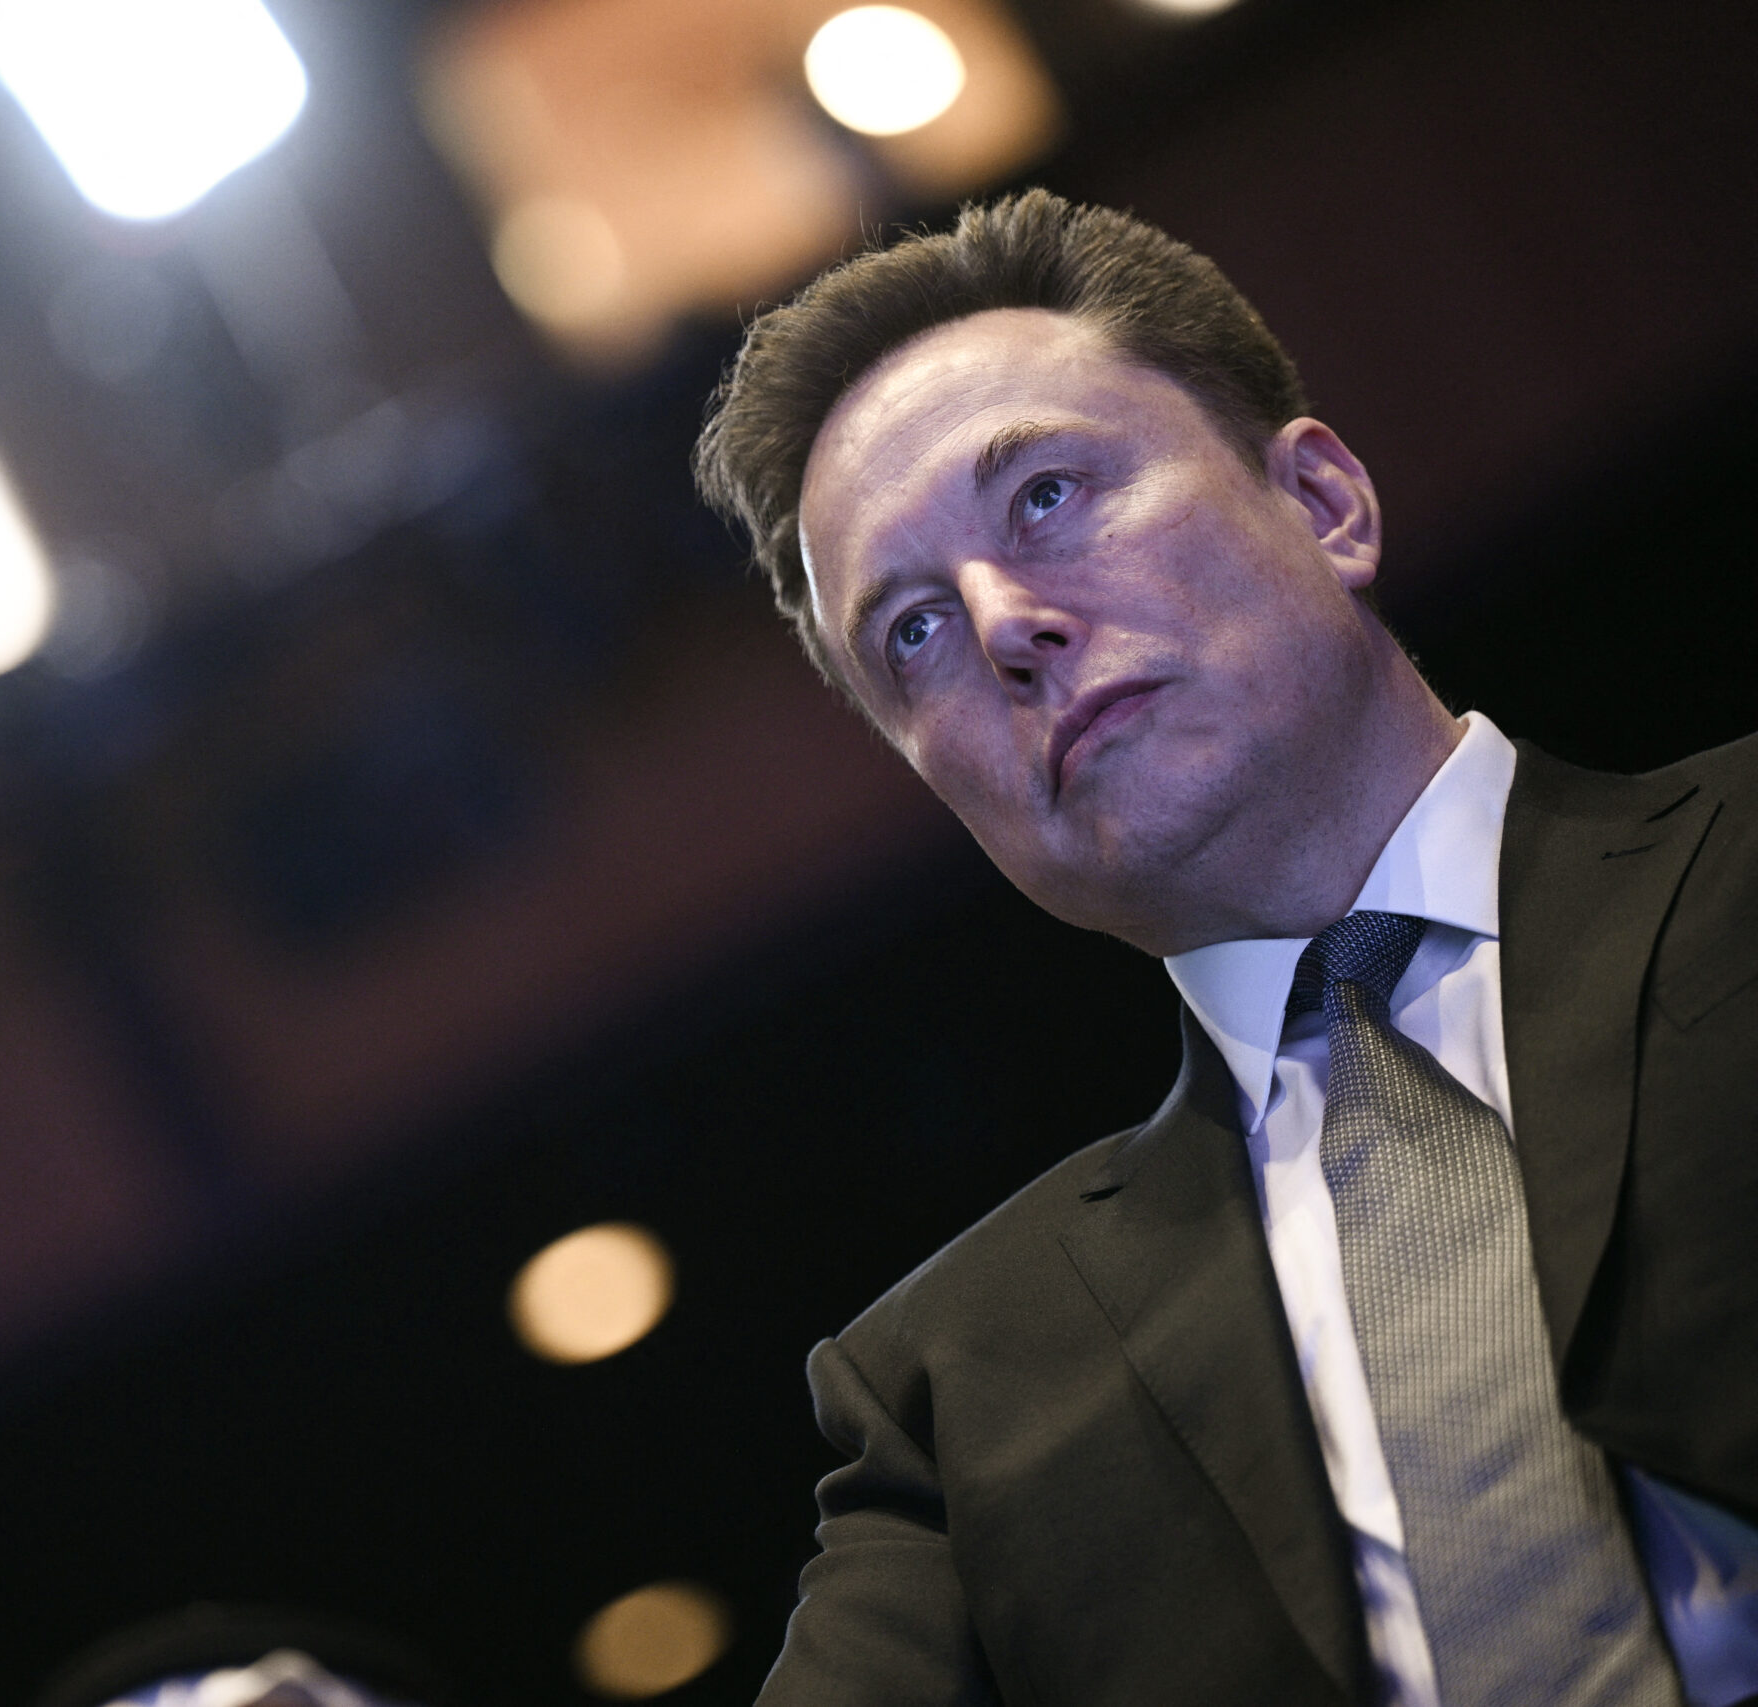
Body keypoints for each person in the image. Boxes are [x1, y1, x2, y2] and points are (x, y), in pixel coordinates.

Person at [693, 190, 1758, 1706]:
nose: (1002, 625)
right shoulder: (957, 1392)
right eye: (912, 633)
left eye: (1047, 496)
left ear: (1325, 503)